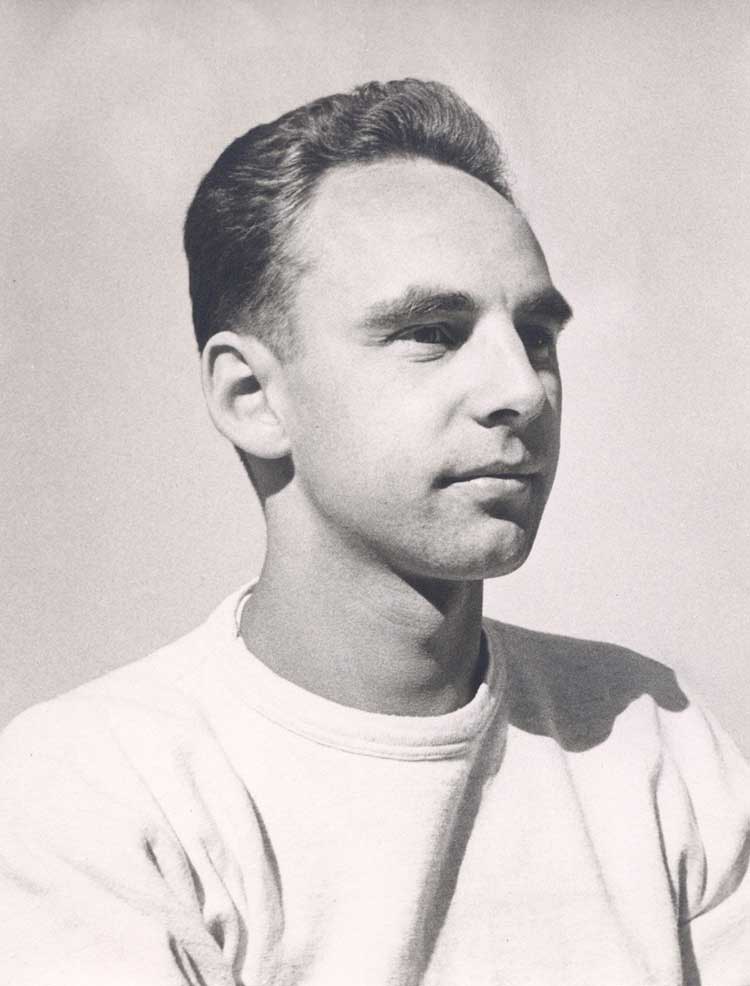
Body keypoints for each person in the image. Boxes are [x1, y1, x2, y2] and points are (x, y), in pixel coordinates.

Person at [0, 78, 748, 986]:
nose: (521, 390)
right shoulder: (97, 791)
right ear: (252, 397)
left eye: (537, 336)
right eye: (432, 332)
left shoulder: (653, 736)